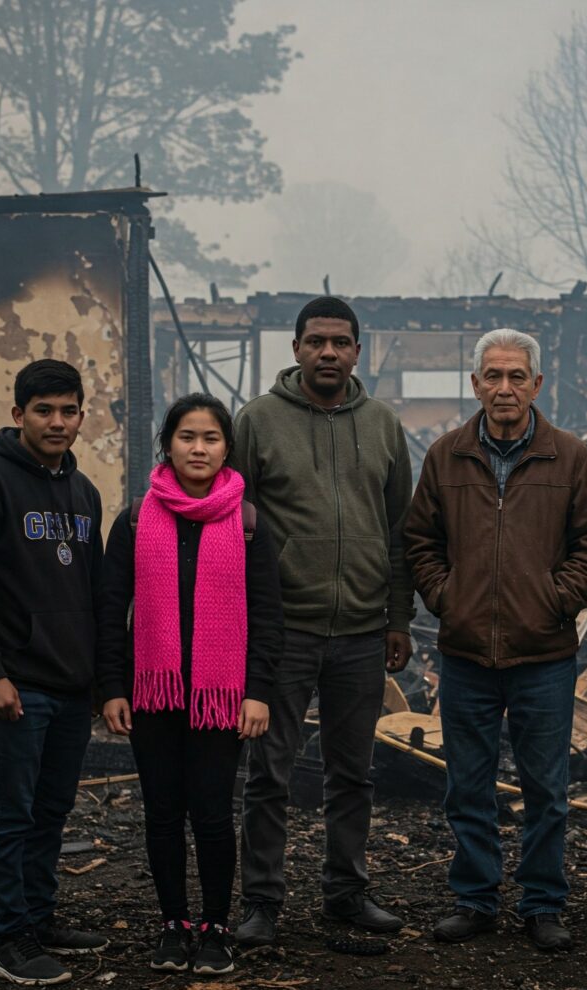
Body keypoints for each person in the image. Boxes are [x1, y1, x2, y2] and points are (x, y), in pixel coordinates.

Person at [406, 328, 587, 951]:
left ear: (536, 384)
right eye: (492, 376)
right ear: (475, 385)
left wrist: (555, 601)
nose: (504, 388)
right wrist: (448, 597)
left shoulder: (570, 457)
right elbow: (420, 542)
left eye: (516, 376)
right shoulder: (446, 456)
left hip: (544, 655)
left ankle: (543, 903)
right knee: (466, 786)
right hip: (466, 654)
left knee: (545, 790)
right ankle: (474, 899)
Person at [232, 296, 415, 946]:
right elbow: (235, 529)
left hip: (363, 632)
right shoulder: (255, 422)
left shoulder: (385, 426)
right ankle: (261, 901)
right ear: (297, 349)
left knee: (353, 773)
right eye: (317, 341)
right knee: (269, 773)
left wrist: (399, 618)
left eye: (341, 342)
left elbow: (400, 533)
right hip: (284, 632)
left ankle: (346, 893)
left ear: (358, 351)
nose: (329, 352)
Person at [96, 394, 282, 975]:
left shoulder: (249, 524)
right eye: (186, 437)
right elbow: (110, 610)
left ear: (228, 448)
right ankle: (174, 923)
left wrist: (256, 691)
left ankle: (217, 927)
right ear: (167, 444)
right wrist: (112, 687)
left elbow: (267, 617)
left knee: (211, 815)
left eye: (210, 438)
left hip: (220, 696)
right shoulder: (135, 520)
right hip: (153, 695)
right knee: (161, 813)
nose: (198, 448)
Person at [0, 359, 107, 985]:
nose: (57, 422)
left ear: (81, 416)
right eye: (44, 410)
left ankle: (39, 917)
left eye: (68, 410)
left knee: (52, 811)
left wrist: (96, 681)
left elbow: (96, 595)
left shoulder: (84, 494)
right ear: (18, 415)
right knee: (10, 812)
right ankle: (7, 940)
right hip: (14, 685)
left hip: (69, 686)